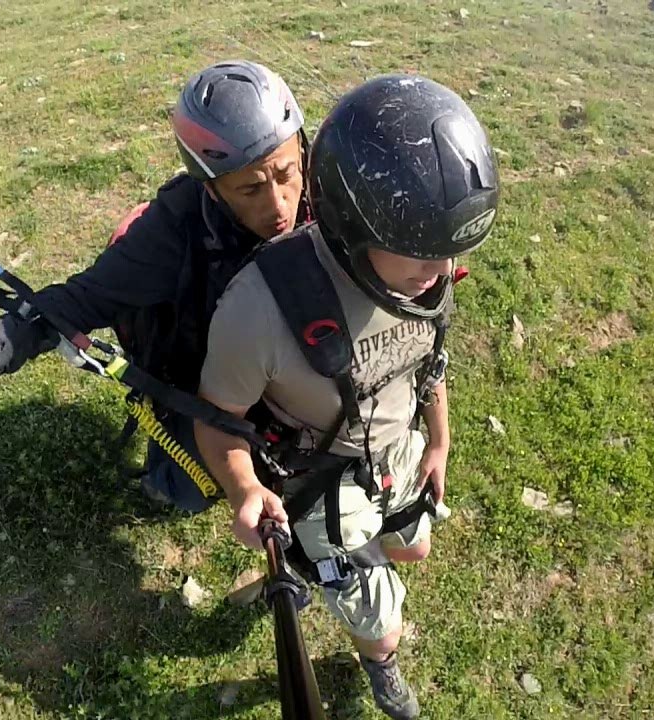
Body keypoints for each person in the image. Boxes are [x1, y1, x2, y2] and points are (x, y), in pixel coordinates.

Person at [193, 74, 499, 719]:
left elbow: (427, 359)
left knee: (414, 544)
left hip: (401, 449)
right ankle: (378, 658)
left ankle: (341, 565)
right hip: (324, 479)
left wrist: (438, 439)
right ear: (352, 225)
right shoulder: (262, 309)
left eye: (450, 256)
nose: (440, 275)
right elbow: (218, 421)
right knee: (382, 622)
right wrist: (245, 490)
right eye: (422, 257)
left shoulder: (422, 268)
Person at [0, 60, 308, 512]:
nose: (279, 206)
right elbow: (83, 299)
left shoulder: (331, 187)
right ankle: (169, 470)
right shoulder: (175, 230)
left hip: (298, 354)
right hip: (202, 372)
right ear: (212, 189)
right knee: (186, 488)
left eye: (285, 174)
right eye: (249, 190)